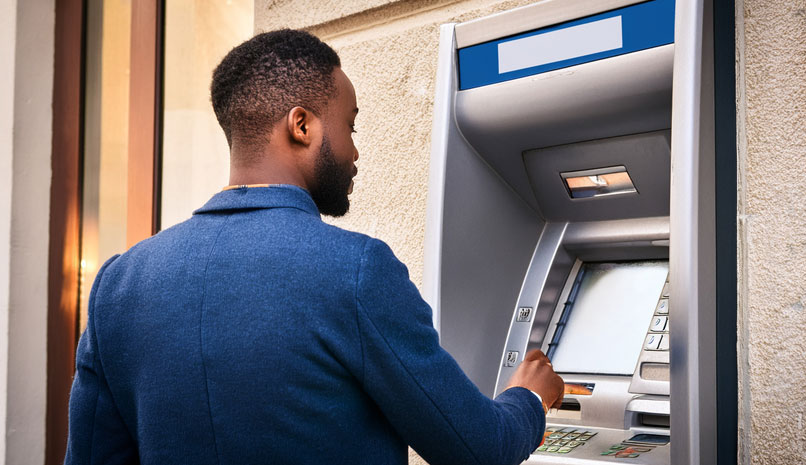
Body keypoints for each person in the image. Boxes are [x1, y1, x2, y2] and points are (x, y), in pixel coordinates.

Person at [65, 29, 564, 465]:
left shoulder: (120, 282)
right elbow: (481, 449)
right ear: (301, 126)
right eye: (350, 125)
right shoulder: (356, 270)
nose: (355, 151)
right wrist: (529, 397)